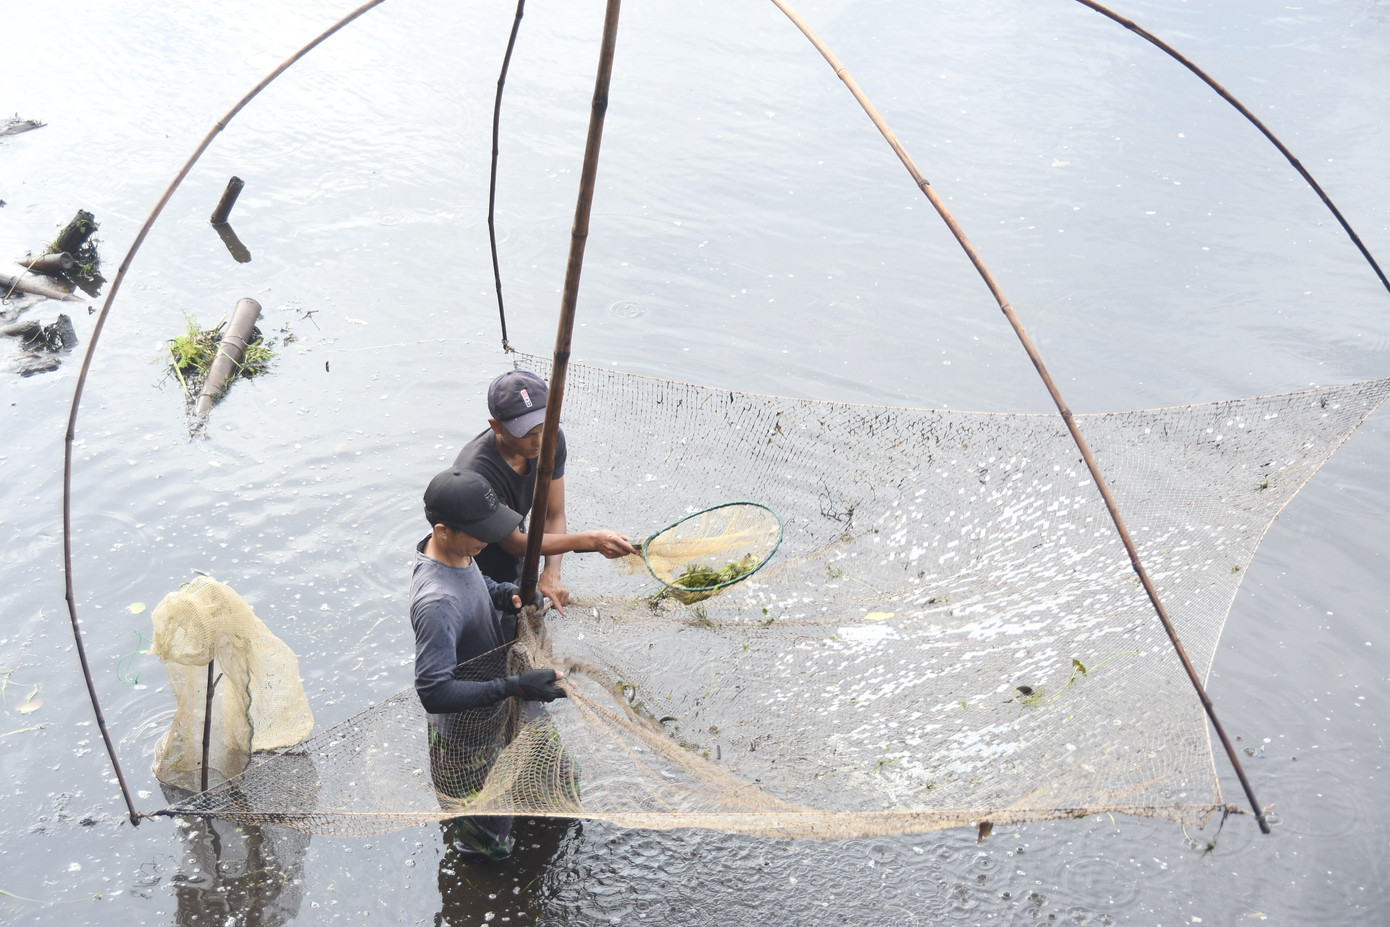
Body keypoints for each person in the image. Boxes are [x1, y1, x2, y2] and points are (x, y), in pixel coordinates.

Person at [409, 466, 567, 860]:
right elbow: (433, 691)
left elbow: (478, 583)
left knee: (555, 779)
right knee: (489, 840)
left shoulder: (458, 552)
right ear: (443, 530)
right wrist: (516, 686)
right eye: (480, 531)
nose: (490, 538)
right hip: (465, 738)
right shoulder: (437, 603)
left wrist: (506, 594)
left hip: (500, 703)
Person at [454, 369, 637, 612]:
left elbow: (554, 513)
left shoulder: (552, 439)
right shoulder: (477, 471)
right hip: (474, 563)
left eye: (544, 427)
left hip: (518, 546)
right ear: (496, 426)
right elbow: (514, 543)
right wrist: (591, 540)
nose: (540, 441)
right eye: (528, 434)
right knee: (493, 621)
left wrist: (552, 572)